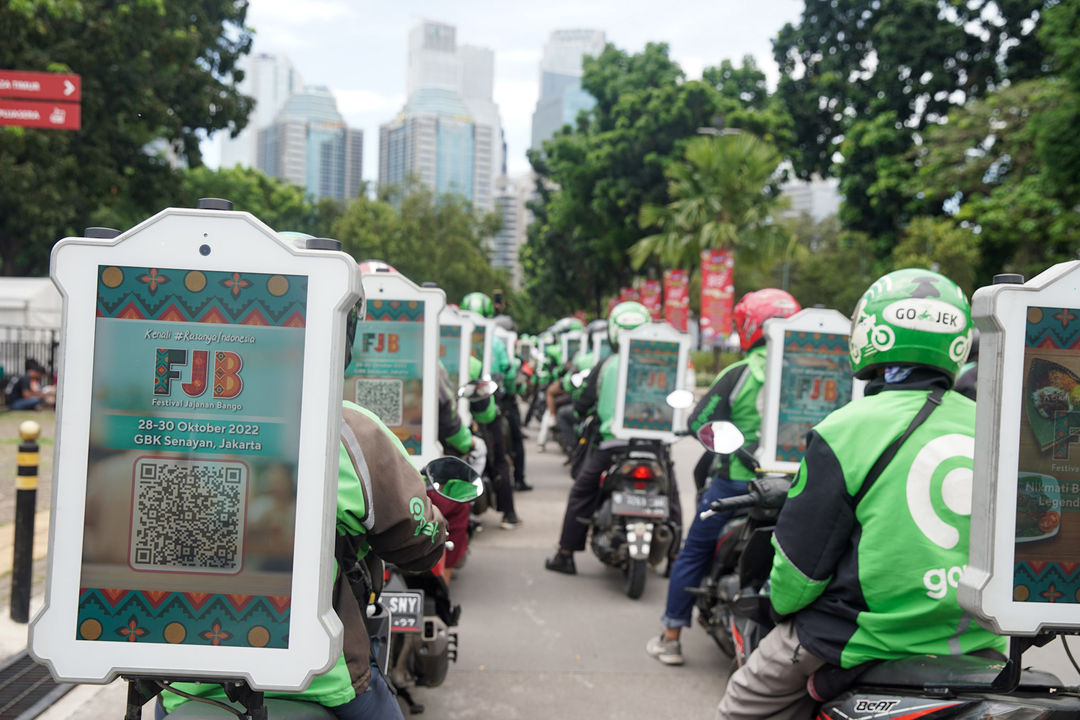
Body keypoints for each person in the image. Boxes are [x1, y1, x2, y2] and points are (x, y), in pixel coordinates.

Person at [163, 243, 448, 720]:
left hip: (189, 682)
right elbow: (417, 542)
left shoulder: (169, 429)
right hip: (323, 682)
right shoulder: (346, 430)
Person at [714, 269, 1006, 720]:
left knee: (741, 703)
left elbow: (797, 575)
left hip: (861, 637)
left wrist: (781, 606)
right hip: (977, 644)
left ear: (869, 335)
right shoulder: (994, 425)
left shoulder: (845, 428)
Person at [646, 288, 801, 666]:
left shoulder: (740, 372)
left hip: (739, 482)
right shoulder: (814, 369)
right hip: (799, 486)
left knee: (695, 550)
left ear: (749, 326)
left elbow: (700, 422)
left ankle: (671, 636)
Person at [544, 301, 657, 575]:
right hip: (653, 447)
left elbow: (581, 405)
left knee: (582, 492)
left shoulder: (607, 365)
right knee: (671, 493)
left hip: (612, 447)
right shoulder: (660, 364)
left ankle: (566, 554)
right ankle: (676, 554)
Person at [461, 292, 532, 492]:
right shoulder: (495, 342)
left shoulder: (449, 335)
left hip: (460, 407)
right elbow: (508, 374)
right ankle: (510, 509)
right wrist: (510, 392)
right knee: (503, 453)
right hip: (488, 403)